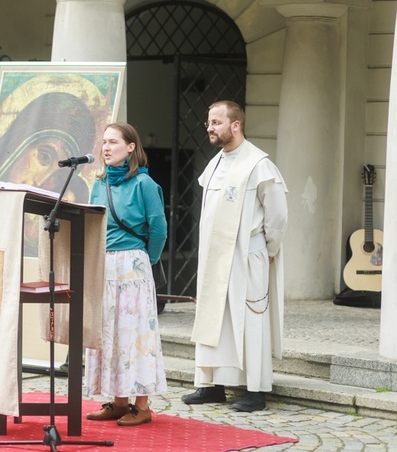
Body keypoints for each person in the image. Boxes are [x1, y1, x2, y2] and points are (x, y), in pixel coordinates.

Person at [181, 100, 288, 413]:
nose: (209, 128)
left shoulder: (259, 164)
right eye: (209, 123)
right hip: (216, 256)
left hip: (247, 254)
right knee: (215, 318)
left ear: (236, 124)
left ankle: (255, 390)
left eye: (216, 122)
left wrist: (268, 250)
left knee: (249, 319)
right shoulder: (215, 163)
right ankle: (212, 385)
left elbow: (278, 216)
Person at [84, 122, 168, 426]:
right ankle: (119, 401)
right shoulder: (99, 183)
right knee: (111, 333)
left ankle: (142, 405)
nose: (106, 148)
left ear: (131, 147)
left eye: (113, 142)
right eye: (104, 142)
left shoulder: (144, 184)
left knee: (135, 334)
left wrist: (147, 260)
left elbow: (158, 227)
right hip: (104, 264)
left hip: (132, 265)